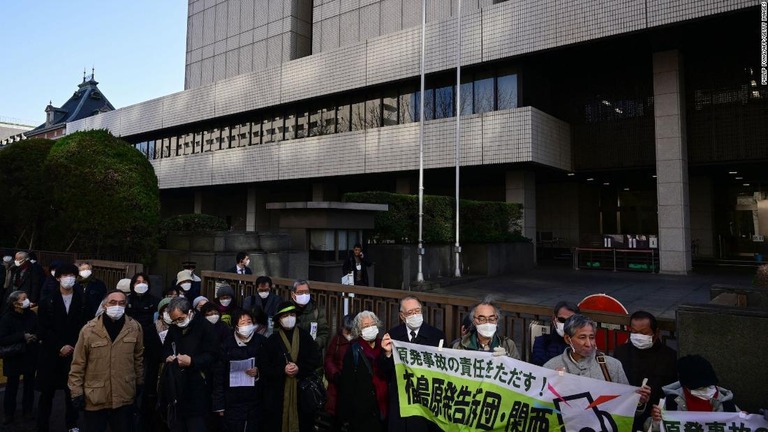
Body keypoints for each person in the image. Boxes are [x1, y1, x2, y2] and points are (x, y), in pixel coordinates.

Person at [68, 289, 145, 432]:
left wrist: (139, 382)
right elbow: (78, 364)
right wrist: (76, 392)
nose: (117, 306)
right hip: (95, 397)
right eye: (113, 302)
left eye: (122, 303)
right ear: (104, 305)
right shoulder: (89, 330)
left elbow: (138, 358)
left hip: (124, 395)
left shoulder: (135, 328)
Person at [543, 314, 651, 406]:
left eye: (591, 337)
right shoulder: (550, 367)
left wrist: (638, 401)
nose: (589, 344)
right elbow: (541, 406)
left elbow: (624, 408)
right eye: (582, 337)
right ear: (568, 339)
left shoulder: (612, 365)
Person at [381, 296, 445, 432]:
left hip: (426, 398)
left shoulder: (436, 336)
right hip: (401, 398)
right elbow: (386, 372)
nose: (415, 315)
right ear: (402, 316)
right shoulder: (393, 335)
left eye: (418, 311)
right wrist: (387, 354)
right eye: (410, 313)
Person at [36, 263, 88, 432]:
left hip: (74, 352)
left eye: (72, 275)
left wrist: (73, 346)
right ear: (57, 278)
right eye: (65, 275)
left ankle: (71, 424)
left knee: (71, 392)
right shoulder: (47, 300)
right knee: (47, 393)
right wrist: (59, 346)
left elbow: (84, 326)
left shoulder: (82, 301)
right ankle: (42, 425)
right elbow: (42, 328)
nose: (69, 278)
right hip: (51, 353)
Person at [159, 296, 219, 432]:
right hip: (177, 387)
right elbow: (166, 347)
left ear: (190, 312)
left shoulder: (205, 327)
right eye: (174, 320)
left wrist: (192, 361)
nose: (178, 322)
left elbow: (213, 355)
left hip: (198, 387)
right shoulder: (174, 328)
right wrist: (167, 356)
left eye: (180, 318)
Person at [260, 301, 322, 432]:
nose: (289, 318)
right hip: (278, 396)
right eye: (285, 316)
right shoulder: (271, 341)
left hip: (302, 395)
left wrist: (299, 368)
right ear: (279, 320)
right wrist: (282, 370)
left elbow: (315, 359)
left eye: (292, 314)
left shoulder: (305, 337)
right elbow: (265, 367)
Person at [614, 310, 677, 431]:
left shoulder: (669, 356)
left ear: (656, 332)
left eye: (644, 333)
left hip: (654, 415)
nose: (639, 336)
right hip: (625, 412)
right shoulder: (621, 352)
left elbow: (672, 390)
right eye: (634, 332)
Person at [647, 355, 739, 431]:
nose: (704, 389)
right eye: (698, 387)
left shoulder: (727, 405)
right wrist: (656, 421)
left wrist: (744, 419)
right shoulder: (672, 402)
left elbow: (744, 426)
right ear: (685, 384)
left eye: (707, 385)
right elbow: (648, 427)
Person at [212, 310, 267, 432]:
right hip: (232, 400)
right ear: (236, 326)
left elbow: (269, 367)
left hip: (255, 400)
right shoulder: (226, 345)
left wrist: (258, 372)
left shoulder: (262, 342)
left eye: (249, 322)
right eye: (243, 322)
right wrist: (219, 404)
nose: (247, 325)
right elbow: (219, 377)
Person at [339, 311, 389, 432]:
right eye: (366, 326)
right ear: (359, 330)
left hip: (383, 407)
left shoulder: (384, 346)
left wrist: (387, 354)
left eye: (373, 324)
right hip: (361, 412)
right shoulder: (353, 350)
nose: (370, 328)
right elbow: (347, 386)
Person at [126, 273, 163, 432]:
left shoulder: (154, 301)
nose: (141, 284)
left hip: (149, 346)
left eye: (144, 281)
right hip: (128, 346)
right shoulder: (126, 301)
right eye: (138, 282)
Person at [0, 290, 38, 425]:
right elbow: (2, 339)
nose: (27, 300)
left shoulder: (32, 315)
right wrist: (22, 336)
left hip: (29, 354)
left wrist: (34, 336)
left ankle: (27, 411)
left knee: (29, 385)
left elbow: (38, 330)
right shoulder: (7, 318)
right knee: (12, 386)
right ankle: (8, 413)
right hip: (14, 356)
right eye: (24, 298)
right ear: (16, 303)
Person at [452, 298, 520, 358]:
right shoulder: (459, 346)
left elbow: (518, 369)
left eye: (492, 318)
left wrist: (507, 359)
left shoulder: (508, 345)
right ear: (474, 321)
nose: (487, 323)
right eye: (482, 319)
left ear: (497, 320)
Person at [324, 314, 354, 421]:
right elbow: (329, 359)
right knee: (335, 417)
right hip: (337, 384)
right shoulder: (336, 340)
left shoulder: (358, 342)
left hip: (353, 384)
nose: (348, 334)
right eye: (347, 330)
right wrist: (335, 373)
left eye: (351, 331)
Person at [531, 301, 580, 366]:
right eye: (562, 320)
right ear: (554, 319)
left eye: (570, 320)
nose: (565, 324)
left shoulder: (582, 344)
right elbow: (539, 364)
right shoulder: (541, 341)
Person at [291, 279, 329, 351]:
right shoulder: (287, 310)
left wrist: (315, 345)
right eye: (300, 292)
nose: (304, 295)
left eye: (306, 292)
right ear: (293, 294)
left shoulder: (316, 310)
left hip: (312, 354)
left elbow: (324, 333)